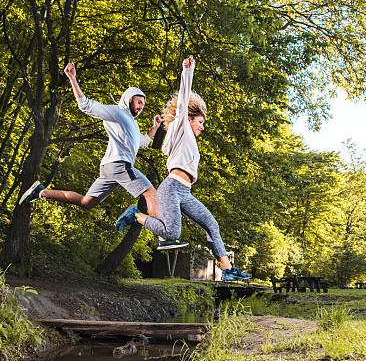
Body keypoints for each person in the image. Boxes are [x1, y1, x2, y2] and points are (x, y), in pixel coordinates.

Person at [19, 63, 186, 250]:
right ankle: (163, 236)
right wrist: (72, 78)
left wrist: (154, 128)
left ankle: (40, 192)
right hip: (119, 165)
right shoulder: (118, 112)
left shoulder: (130, 123)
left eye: (143, 105)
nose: (141, 107)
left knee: (86, 202)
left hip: (109, 168)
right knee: (150, 193)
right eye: (139, 102)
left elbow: (142, 142)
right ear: (129, 99)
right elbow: (86, 106)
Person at [116, 55, 249, 281]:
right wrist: (188, 71)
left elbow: (170, 148)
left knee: (211, 223)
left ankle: (227, 269)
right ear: (188, 118)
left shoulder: (183, 140)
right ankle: (135, 215)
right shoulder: (181, 126)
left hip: (185, 192)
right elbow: (185, 96)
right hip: (171, 188)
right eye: (200, 122)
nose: (202, 127)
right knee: (171, 233)